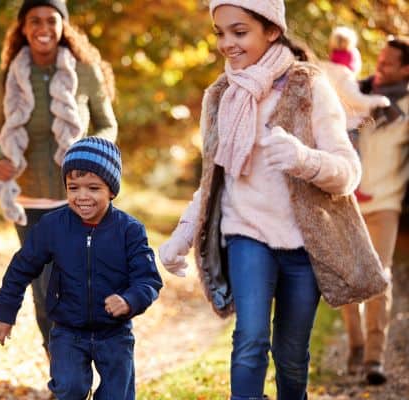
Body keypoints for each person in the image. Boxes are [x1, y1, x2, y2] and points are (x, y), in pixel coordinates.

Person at [158, 1, 388, 399]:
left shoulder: (309, 86)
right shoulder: (220, 97)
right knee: (250, 340)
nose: (227, 43)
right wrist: (182, 237)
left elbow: (348, 172)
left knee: (292, 354)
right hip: (246, 234)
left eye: (239, 32)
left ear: (272, 31)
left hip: (303, 242)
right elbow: (211, 182)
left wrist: (304, 159)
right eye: (220, 33)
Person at [0, 0, 118, 356]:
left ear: (63, 26)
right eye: (34, 21)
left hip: (75, 198)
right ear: (23, 28)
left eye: (50, 20)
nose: (42, 28)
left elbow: (107, 123)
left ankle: (88, 358)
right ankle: (62, 372)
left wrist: (91, 153)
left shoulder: (86, 71)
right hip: (28, 203)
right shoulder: (5, 78)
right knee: (44, 291)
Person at [0, 137, 163, 400]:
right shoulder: (53, 226)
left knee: (118, 396)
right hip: (68, 330)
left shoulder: (129, 230)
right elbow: (20, 268)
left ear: (111, 190)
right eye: (73, 187)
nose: (82, 196)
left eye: (93, 188)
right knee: (69, 388)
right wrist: (5, 313)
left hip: (114, 333)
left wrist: (129, 300)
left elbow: (148, 279)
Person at [340, 36, 409, 385]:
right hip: (348, 201)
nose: (379, 67)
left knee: (378, 276)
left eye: (388, 63)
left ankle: (373, 359)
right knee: (350, 277)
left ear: (406, 69)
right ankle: (355, 344)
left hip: (385, 204)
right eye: (378, 59)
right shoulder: (359, 97)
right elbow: (337, 135)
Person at [318, 26, 390, 202]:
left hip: (326, 121)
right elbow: (355, 99)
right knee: (355, 155)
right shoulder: (344, 74)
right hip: (347, 125)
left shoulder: (324, 68)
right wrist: (379, 101)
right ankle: (355, 188)